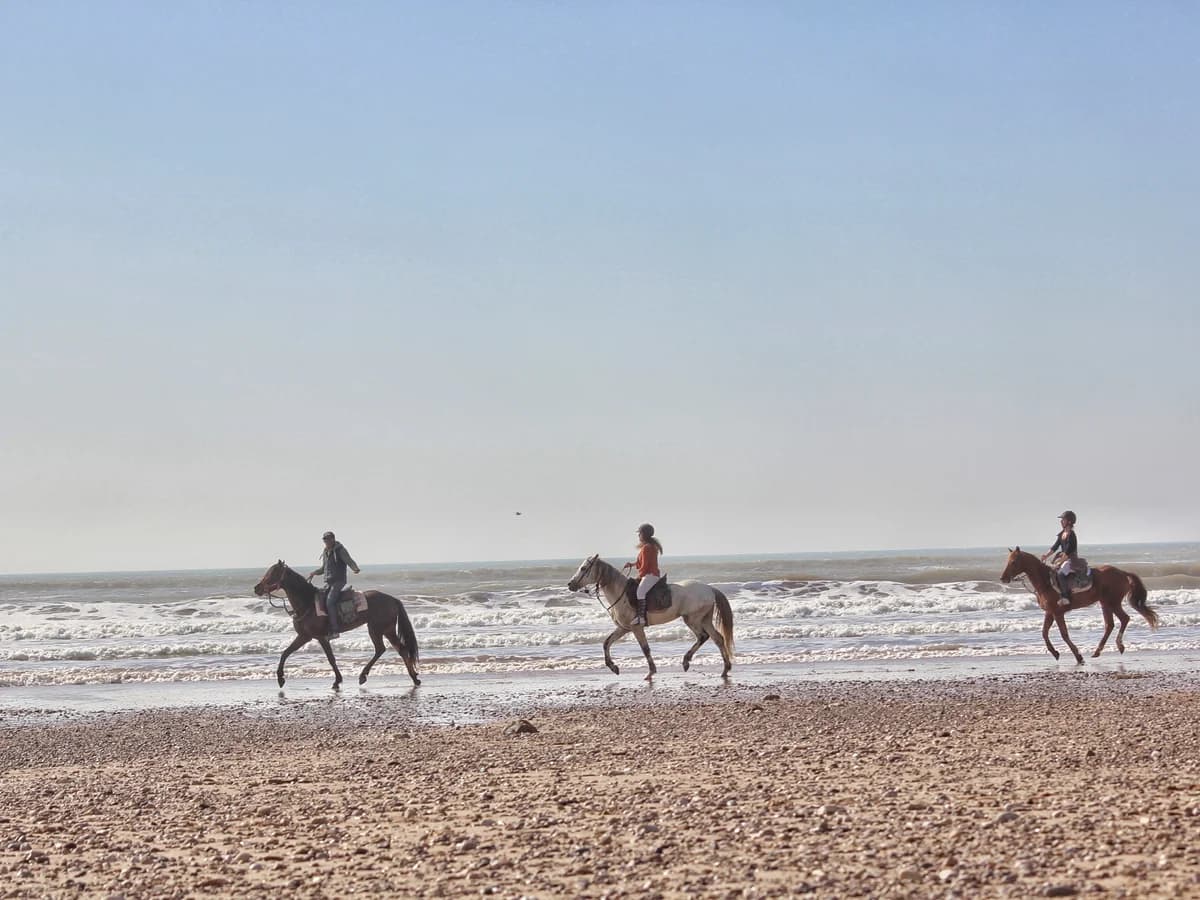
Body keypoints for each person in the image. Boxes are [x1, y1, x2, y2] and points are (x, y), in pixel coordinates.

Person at [308, 531, 360, 637]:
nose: (326, 541)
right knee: (319, 598)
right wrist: (314, 573)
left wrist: (355, 568)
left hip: (339, 581)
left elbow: (349, 560)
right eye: (324, 540)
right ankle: (326, 626)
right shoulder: (325, 552)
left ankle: (335, 630)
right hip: (329, 582)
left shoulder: (340, 550)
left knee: (330, 602)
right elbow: (323, 569)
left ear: (333, 539)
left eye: (328, 539)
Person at [622, 523, 663, 627]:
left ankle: (641, 618)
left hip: (650, 575)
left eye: (639, 533)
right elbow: (642, 563)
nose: (638, 535)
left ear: (644, 534)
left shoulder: (646, 548)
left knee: (640, 592)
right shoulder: (649, 546)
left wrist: (639, 576)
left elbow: (645, 566)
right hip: (650, 575)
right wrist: (632, 564)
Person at [1041, 510, 1079, 608]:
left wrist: (1060, 562)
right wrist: (1046, 555)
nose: (1061, 521)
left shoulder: (1071, 535)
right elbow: (1054, 547)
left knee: (1060, 573)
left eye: (1063, 519)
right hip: (1063, 558)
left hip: (1071, 559)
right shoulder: (1062, 534)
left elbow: (1068, 551)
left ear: (1069, 521)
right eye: (1061, 519)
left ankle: (1065, 596)